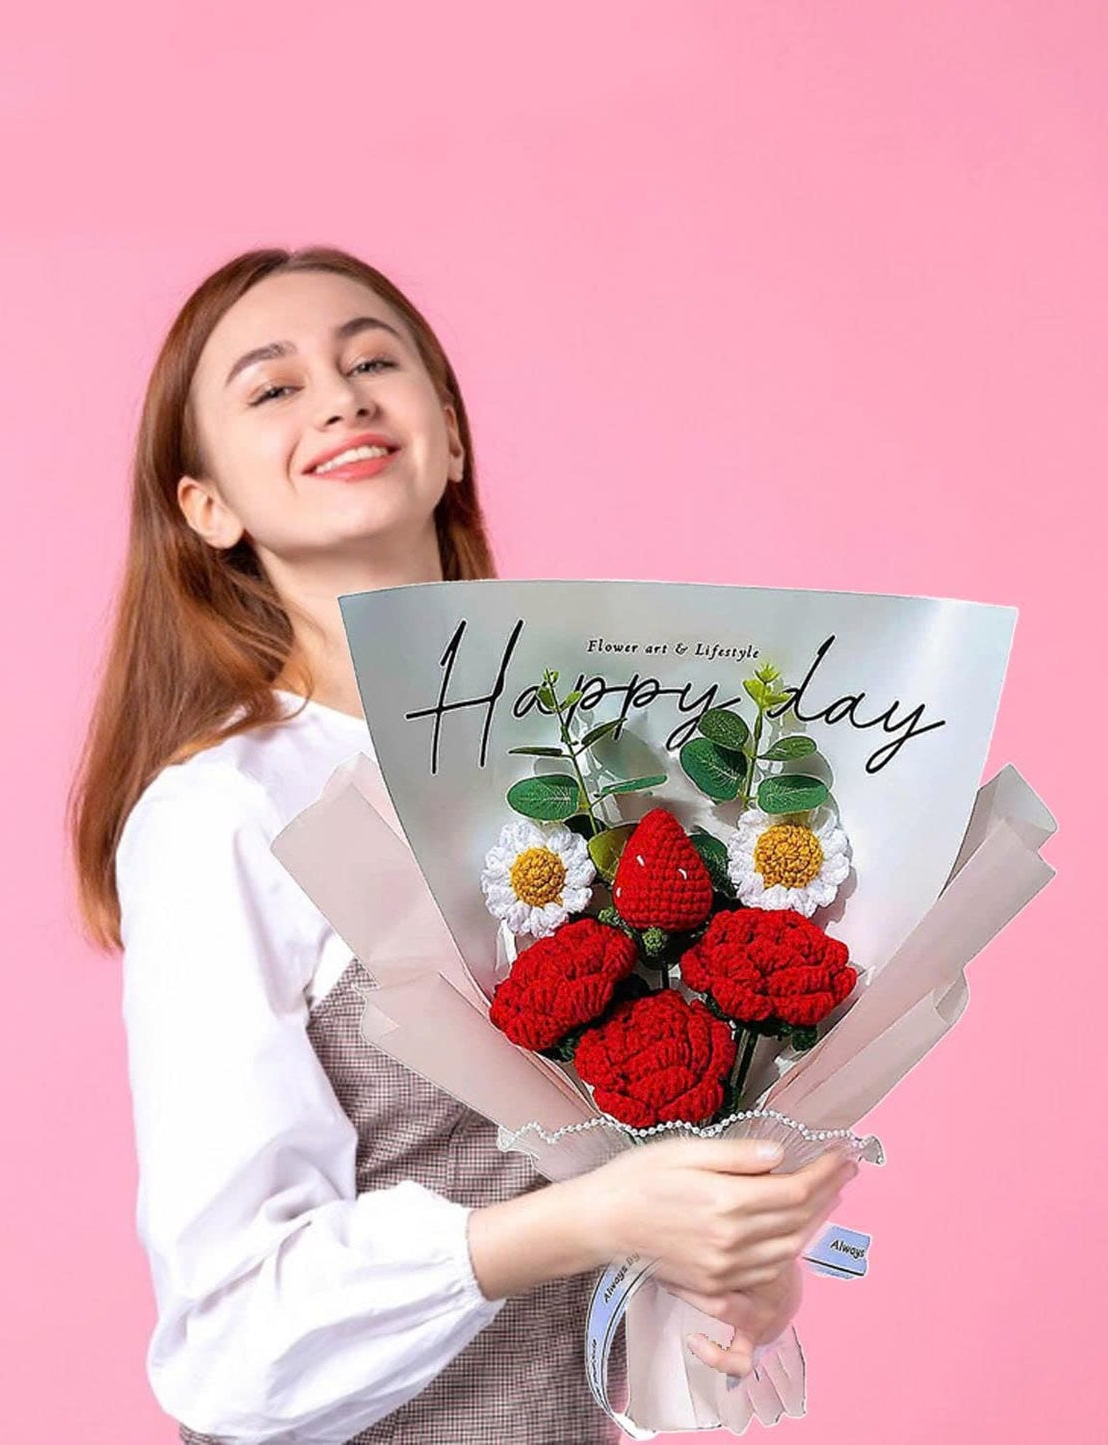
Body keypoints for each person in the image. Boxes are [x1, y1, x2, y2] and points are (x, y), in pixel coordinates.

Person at [68, 245, 860, 1444]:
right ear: (206, 505)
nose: (339, 395)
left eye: (373, 359)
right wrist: (595, 1216)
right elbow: (230, 1336)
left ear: (446, 433)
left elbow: (656, 1203)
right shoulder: (221, 813)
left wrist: (732, 1266)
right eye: (272, 387)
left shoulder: (607, 758)